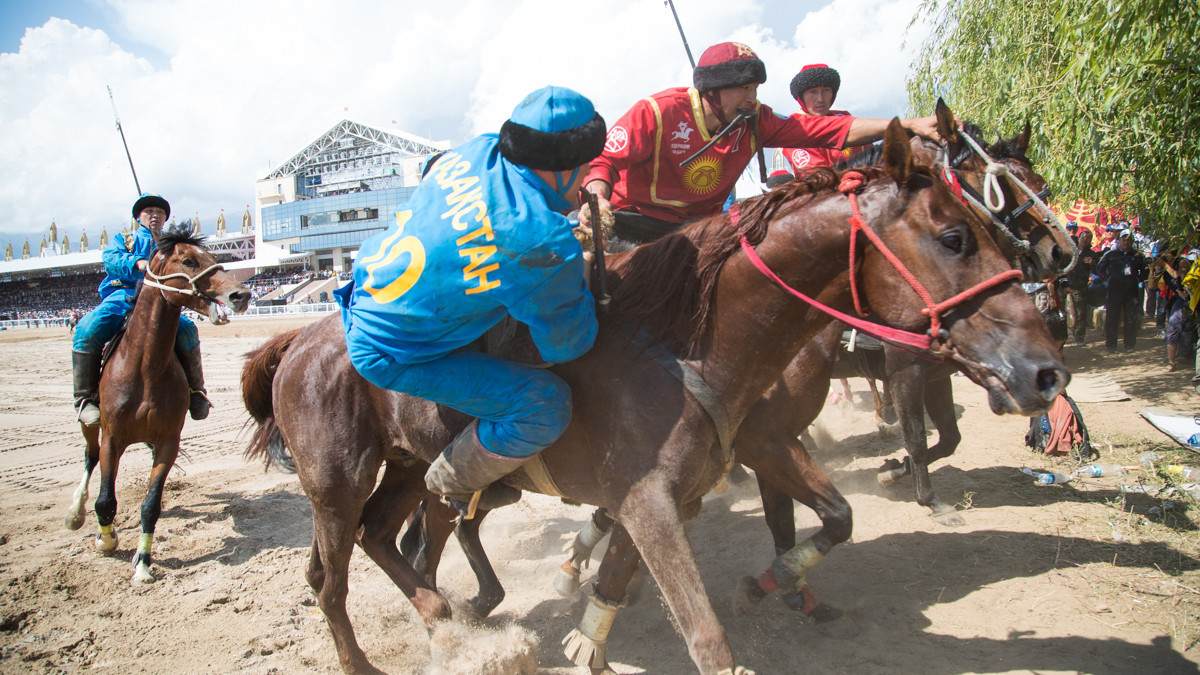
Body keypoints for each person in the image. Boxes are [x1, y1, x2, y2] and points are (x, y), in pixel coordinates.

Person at [336, 86, 606, 515]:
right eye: (586, 163)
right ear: (562, 168)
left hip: (365, 281)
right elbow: (568, 345)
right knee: (545, 406)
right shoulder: (542, 241)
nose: (590, 172)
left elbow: (433, 174)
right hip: (389, 351)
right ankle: (456, 480)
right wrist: (583, 266)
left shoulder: (478, 149)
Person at [579, 42, 944, 244]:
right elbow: (604, 162)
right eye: (745, 89)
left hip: (697, 231)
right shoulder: (656, 112)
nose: (753, 98)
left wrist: (909, 124)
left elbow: (828, 131)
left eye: (756, 89)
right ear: (712, 90)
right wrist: (597, 201)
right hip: (633, 223)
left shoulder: (756, 120)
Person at [71, 194, 208, 426]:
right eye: (149, 211)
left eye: (160, 212)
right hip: (123, 296)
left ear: (166, 218)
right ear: (138, 217)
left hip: (161, 300)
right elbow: (111, 259)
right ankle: (85, 399)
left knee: (187, 330)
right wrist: (138, 263)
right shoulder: (124, 240)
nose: (155, 215)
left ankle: (197, 391)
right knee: (87, 328)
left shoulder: (173, 245)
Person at [778, 63, 863, 175]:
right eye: (813, 92)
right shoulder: (794, 128)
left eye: (826, 90)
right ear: (801, 97)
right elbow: (818, 177)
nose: (820, 99)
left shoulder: (845, 117)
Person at [1095, 228, 1149, 353]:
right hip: (1114, 291)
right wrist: (1108, 279)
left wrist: (1138, 279)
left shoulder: (1137, 255)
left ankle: (1129, 345)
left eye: (1129, 240)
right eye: (1124, 240)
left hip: (1131, 292)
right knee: (1112, 318)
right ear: (1119, 240)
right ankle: (1111, 346)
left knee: (1131, 319)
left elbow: (1146, 271)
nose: (1126, 242)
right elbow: (1099, 269)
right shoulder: (1110, 254)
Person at [1064, 224, 1099, 344]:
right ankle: (1063, 336)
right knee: (1063, 312)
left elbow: (1097, 271)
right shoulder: (1070, 250)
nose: (1085, 239)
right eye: (1083, 237)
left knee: (1080, 313)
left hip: (1081, 286)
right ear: (1079, 238)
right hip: (1066, 285)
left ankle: (1079, 337)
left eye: (1088, 238)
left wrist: (1092, 263)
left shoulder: (1091, 254)